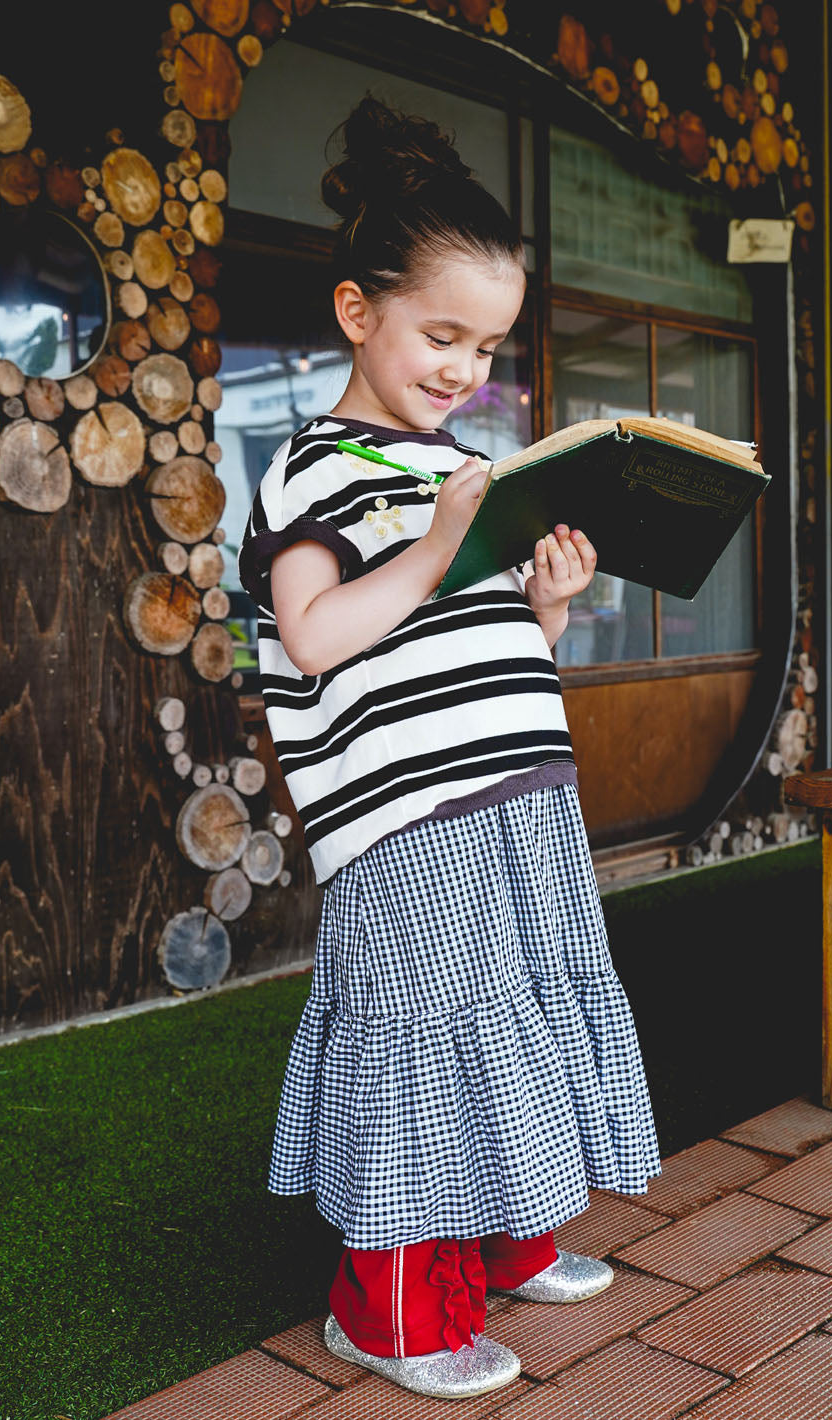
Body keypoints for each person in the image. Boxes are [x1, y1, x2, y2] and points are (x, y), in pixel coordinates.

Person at [238, 95, 661, 1401]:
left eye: (486, 345)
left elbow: (467, 634)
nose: (464, 367)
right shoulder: (315, 465)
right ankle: (393, 1311)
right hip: (412, 815)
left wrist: (545, 600)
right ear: (358, 311)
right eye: (441, 334)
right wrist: (433, 547)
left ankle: (514, 1232)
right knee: (432, 1024)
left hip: (519, 786)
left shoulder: (464, 460)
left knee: (522, 1004)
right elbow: (313, 634)